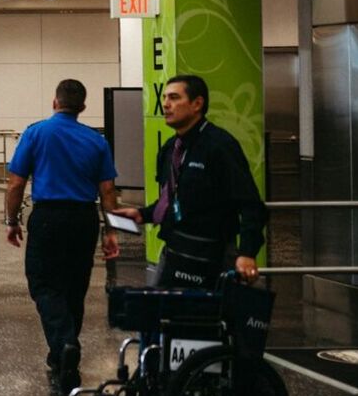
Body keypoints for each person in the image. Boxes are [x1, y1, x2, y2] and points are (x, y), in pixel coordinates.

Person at [4, 79, 121, 396]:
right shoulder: (96, 141)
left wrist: (11, 221)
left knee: (44, 284)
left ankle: (66, 344)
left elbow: (15, 184)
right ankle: (61, 355)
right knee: (74, 286)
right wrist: (112, 231)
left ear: (55, 103)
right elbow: (108, 191)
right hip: (84, 219)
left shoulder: (36, 132)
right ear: (82, 108)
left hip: (48, 219)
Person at [110, 74, 267, 289]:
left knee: (205, 318)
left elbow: (250, 204)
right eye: (165, 98)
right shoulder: (170, 148)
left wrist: (247, 252)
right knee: (161, 316)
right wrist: (143, 214)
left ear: (197, 104)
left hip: (213, 253)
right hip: (175, 249)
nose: (166, 104)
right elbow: (172, 196)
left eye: (174, 98)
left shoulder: (219, 146)